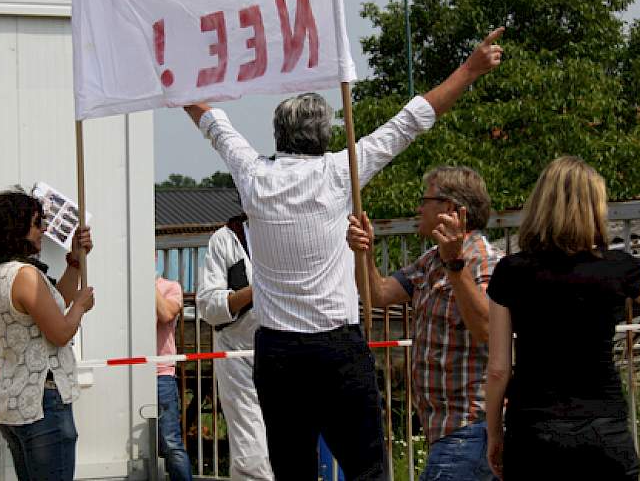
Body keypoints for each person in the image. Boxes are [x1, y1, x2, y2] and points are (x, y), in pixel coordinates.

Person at [183, 28, 504, 480]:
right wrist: (469, 69)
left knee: (293, 472)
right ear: (326, 135)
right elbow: (412, 120)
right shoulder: (341, 171)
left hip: (276, 351)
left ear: (278, 135)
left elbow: (213, 123)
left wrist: (173, 80)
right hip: (337, 345)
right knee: (366, 470)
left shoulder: (254, 176)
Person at [484, 156, 640, 480]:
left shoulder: (510, 272)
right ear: (595, 208)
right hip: (603, 427)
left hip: (533, 429)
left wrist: (494, 434)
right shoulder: (619, 268)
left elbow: (497, 370)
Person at [347, 167, 500, 480]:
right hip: (445, 429)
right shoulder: (431, 260)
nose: (418, 208)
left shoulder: (484, 259)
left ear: (450, 209)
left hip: (471, 426)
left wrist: (455, 266)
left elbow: (487, 330)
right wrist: (364, 251)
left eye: (425, 200)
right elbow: (377, 294)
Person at [0, 188, 95, 481]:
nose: (43, 230)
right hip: (44, 401)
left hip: (16, 402)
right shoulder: (26, 275)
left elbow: (53, 306)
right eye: (38, 223)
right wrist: (80, 305)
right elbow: (61, 330)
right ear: (17, 228)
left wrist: (75, 262)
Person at [196, 213, 274, 480]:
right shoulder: (225, 240)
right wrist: (255, 290)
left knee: (291, 438)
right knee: (251, 447)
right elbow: (208, 305)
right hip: (239, 354)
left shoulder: (294, 230)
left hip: (290, 346)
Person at [156, 275, 193, 481]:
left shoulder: (170, 287)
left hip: (161, 375)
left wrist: (146, 282)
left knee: (170, 443)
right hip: (128, 374)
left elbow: (166, 314)